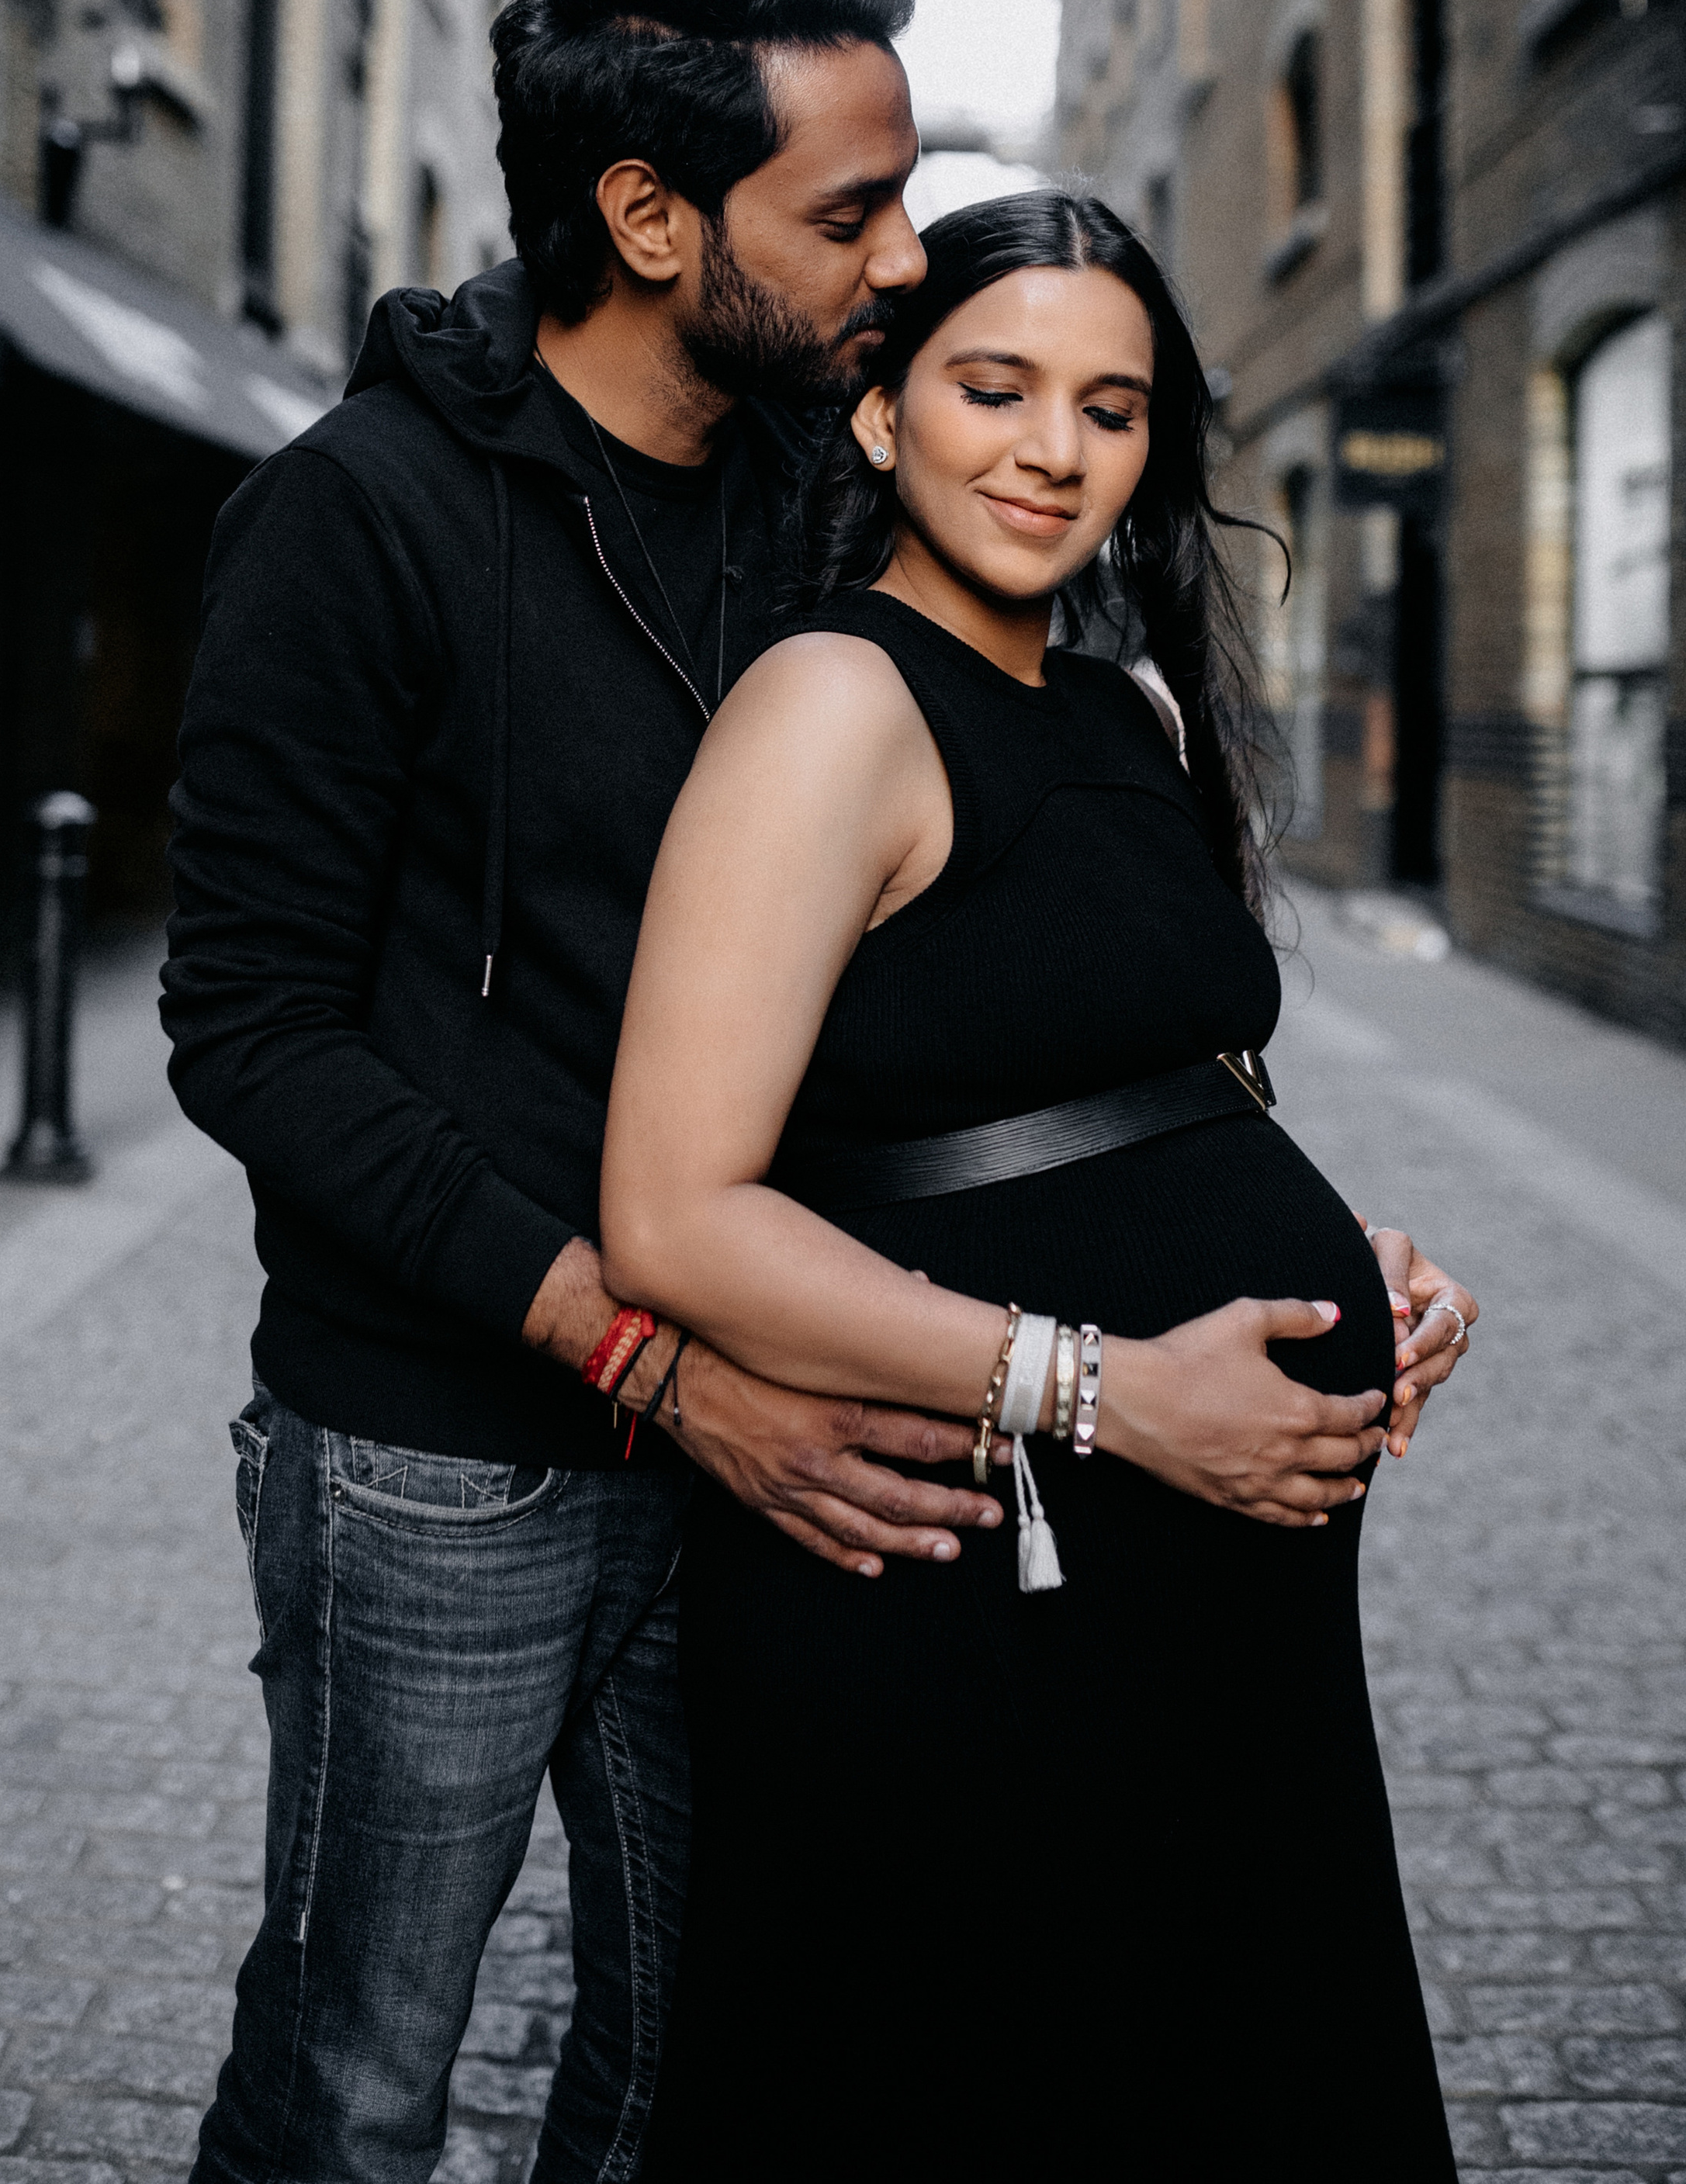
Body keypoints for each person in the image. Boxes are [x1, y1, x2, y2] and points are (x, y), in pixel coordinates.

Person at [162, 0, 1025, 2184]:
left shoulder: (827, 527)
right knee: (358, 2086)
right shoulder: (353, 524)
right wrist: (650, 1359)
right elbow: (250, 1035)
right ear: (652, 215)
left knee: (688, 2063)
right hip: (437, 1450)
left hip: (785, 1447)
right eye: (851, 212)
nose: (903, 260)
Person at [600, 189, 1477, 2181]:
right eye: (992, 387)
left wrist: (1358, 1258)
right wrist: (1107, 1389)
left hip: (1219, 1581)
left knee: (1203, 2058)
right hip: (976, 1569)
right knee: (967, 2081)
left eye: (1111, 406)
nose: (1052, 449)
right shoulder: (830, 705)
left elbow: (1153, 1087)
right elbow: (673, 1214)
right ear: (882, 415)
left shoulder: (1131, 712)